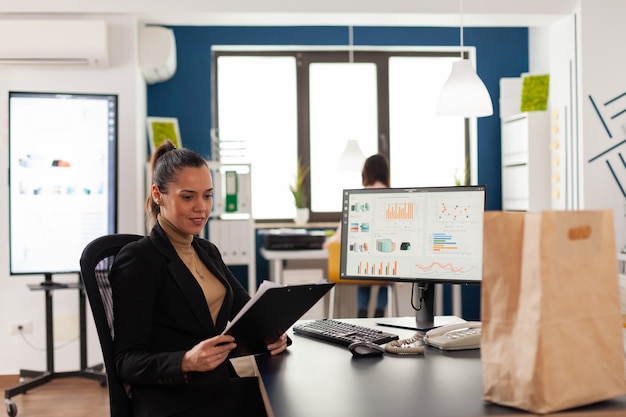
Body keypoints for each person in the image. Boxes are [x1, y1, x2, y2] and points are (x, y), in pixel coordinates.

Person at [110, 140, 288, 417]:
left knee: (289, 398)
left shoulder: (207, 251)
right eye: (188, 196)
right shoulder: (139, 258)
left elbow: (248, 313)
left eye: (207, 195)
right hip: (172, 398)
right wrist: (186, 361)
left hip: (216, 385)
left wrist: (274, 335)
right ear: (158, 195)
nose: (201, 207)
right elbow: (126, 361)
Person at [324, 153, 391, 318]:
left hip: (363, 260)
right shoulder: (392, 196)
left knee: (362, 269)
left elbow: (341, 233)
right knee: (386, 277)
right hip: (385, 259)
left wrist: (330, 243)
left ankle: (362, 310)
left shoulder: (357, 197)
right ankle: (380, 310)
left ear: (366, 172)